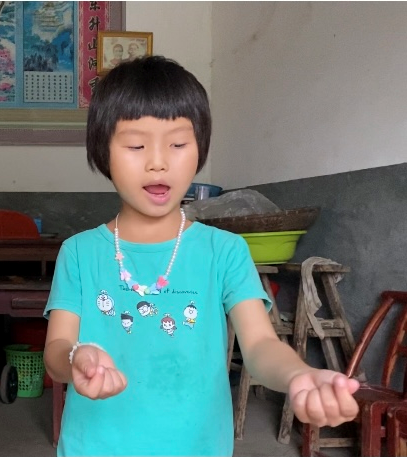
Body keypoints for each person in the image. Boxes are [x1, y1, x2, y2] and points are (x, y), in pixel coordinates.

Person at [43, 56, 360, 456]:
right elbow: (56, 351)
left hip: (197, 446)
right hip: (94, 446)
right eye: (136, 145)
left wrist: (299, 374)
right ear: (103, 151)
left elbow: (260, 346)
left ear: (199, 150)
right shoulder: (79, 253)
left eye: (178, 144)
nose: (158, 162)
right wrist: (76, 357)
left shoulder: (224, 251)